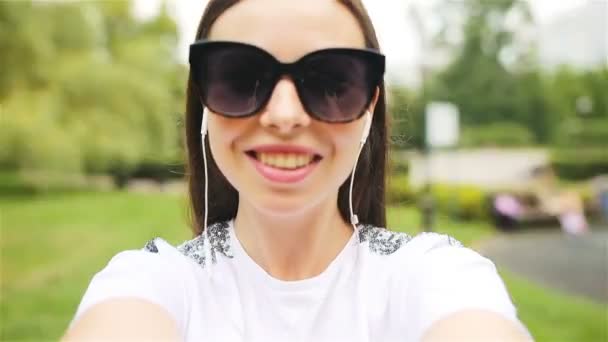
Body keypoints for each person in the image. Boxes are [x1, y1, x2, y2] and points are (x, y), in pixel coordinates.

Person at [63, 0, 532, 341]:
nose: (284, 115)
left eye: (330, 81)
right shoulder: (151, 280)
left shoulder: (437, 274)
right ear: (202, 98)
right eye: (241, 77)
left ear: (370, 106)